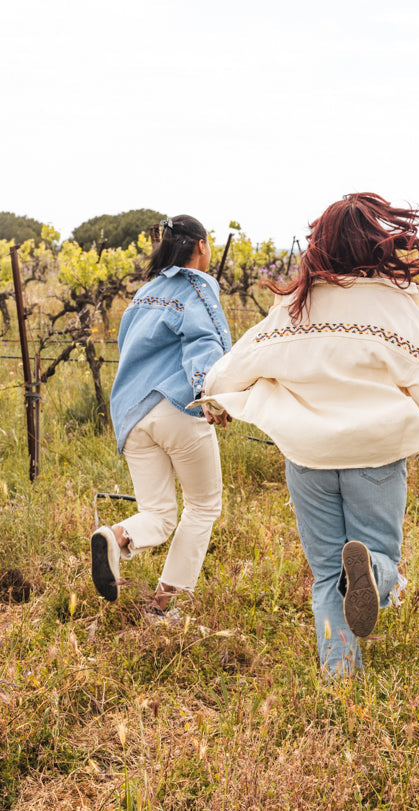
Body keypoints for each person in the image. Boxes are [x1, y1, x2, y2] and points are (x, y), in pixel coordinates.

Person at [199, 193, 419, 677]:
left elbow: (243, 360)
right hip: (373, 451)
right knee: (381, 552)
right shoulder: (395, 307)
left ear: (322, 243)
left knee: (325, 574)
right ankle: (373, 572)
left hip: (307, 456)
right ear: (378, 240)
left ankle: (340, 677)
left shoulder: (298, 302)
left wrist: (214, 399)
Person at [91, 215, 231, 616]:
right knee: (203, 506)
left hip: (131, 412)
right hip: (175, 406)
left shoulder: (144, 293)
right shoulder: (197, 288)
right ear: (201, 246)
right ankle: (164, 606)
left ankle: (115, 536)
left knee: (157, 513)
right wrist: (209, 395)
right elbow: (206, 341)